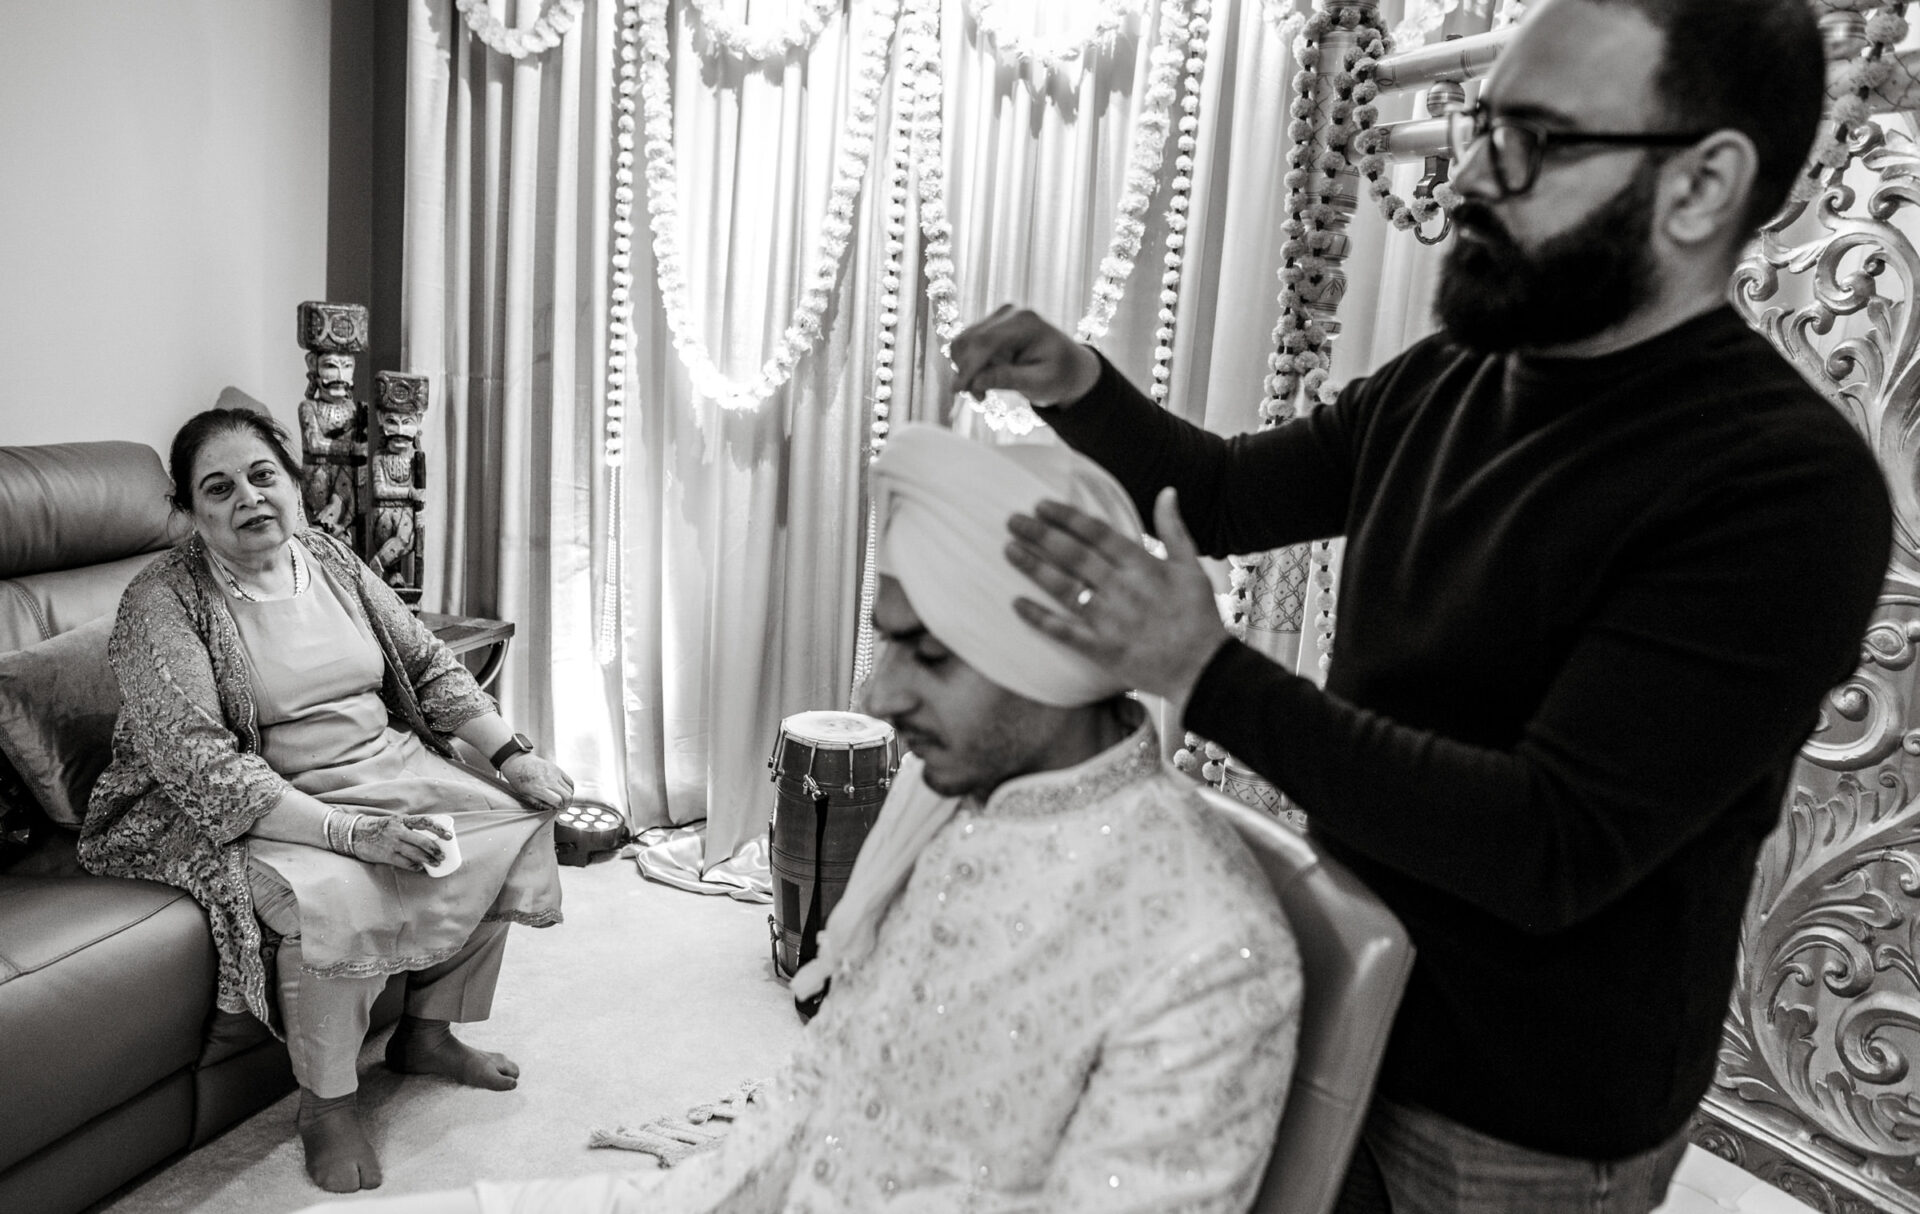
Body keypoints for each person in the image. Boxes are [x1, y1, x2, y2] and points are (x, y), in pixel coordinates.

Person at [947, 0, 1894, 1211]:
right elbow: (1228, 496)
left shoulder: (1784, 489)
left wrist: (1203, 672)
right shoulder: (1457, 373)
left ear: (1699, 185)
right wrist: (1081, 387)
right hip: (1354, 986)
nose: (1465, 180)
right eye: (1477, 125)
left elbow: (1547, 843)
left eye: (1529, 141)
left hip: (1532, 1104)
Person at [304, 423, 1302, 1214]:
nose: (881, 690)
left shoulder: (1209, 947)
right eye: (888, 645)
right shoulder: (971, 812)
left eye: (932, 654)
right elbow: (821, 1102)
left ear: (1059, 658)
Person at [79, 408, 571, 1194]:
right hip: (266, 800)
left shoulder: (329, 558)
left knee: (506, 826)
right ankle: (327, 1106)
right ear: (191, 510)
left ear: (292, 481)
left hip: (383, 763)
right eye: (220, 487)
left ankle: (428, 1034)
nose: (248, 497)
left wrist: (512, 755)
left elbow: (426, 661)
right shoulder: (161, 602)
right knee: (334, 898)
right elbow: (203, 766)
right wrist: (350, 834)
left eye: (262, 474)